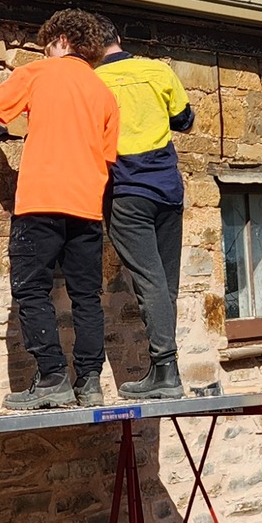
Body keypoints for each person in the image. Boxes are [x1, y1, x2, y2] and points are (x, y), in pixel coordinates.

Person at [0, 8, 121, 410]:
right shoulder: (104, 92)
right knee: (86, 296)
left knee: (32, 288)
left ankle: (52, 377)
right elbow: (108, 158)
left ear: (62, 41)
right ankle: (89, 382)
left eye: (47, 43)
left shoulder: (39, 72)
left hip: (40, 202)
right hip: (87, 207)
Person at [94, 23, 192, 400]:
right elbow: (184, 119)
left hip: (127, 190)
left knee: (149, 281)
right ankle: (166, 370)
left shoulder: (94, 82)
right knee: (167, 283)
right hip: (168, 189)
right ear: (120, 40)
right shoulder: (158, 70)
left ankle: (165, 369)